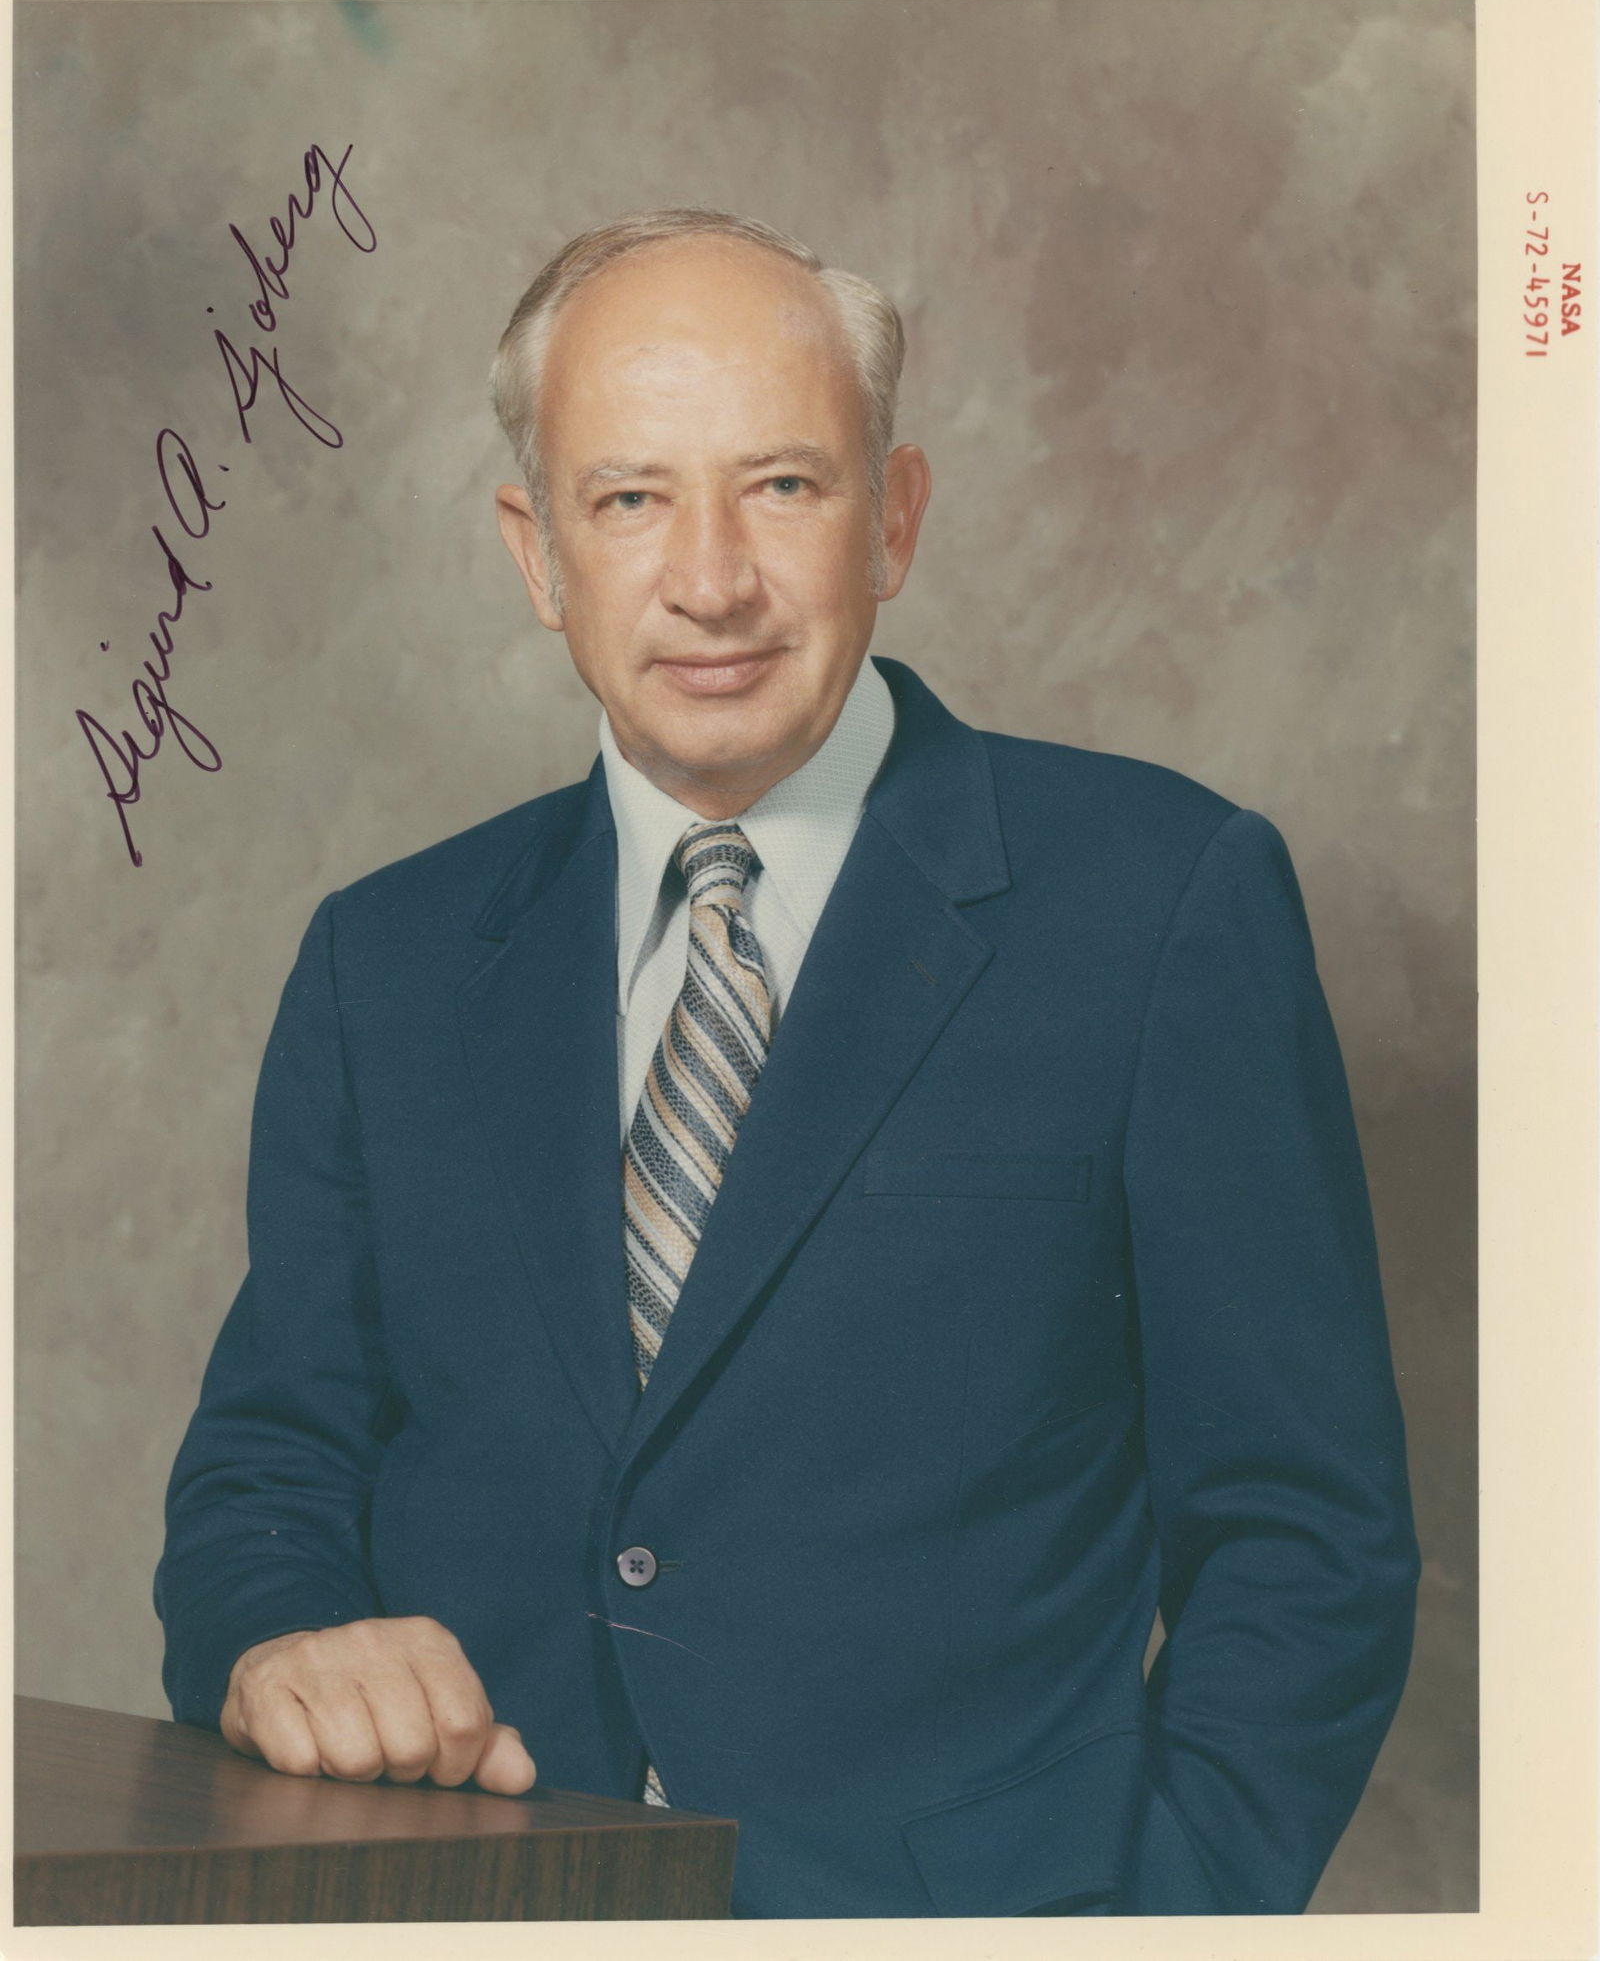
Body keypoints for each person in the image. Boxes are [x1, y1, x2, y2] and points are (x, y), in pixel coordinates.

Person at [154, 207, 1420, 1919]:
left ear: (892, 516)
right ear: (537, 553)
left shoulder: (1161, 901)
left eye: (782, 485)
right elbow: (272, 1466)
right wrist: (280, 1638)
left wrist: (1164, 1918)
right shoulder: (384, 961)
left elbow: (1305, 1531)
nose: (712, 580)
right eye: (629, 498)